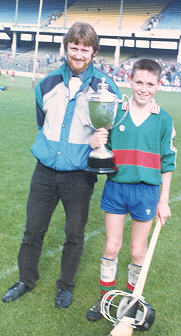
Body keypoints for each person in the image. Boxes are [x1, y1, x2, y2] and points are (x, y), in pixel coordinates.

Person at [2, 21, 120, 308]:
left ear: (94, 53)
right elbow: (42, 122)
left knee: (74, 234)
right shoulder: (47, 83)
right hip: (44, 171)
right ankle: (25, 279)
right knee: (33, 230)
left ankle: (65, 285)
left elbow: (112, 129)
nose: (78, 54)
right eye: (74, 47)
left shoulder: (105, 88)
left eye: (85, 49)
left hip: (79, 175)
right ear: (66, 48)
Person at [86, 58, 177, 321]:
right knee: (111, 246)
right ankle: (105, 298)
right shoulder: (116, 113)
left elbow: (168, 162)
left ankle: (129, 300)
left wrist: (164, 200)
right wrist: (95, 141)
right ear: (130, 80)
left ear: (159, 85)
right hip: (116, 188)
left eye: (150, 84)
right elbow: (104, 149)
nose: (143, 88)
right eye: (139, 82)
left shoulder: (164, 119)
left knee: (138, 251)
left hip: (146, 192)